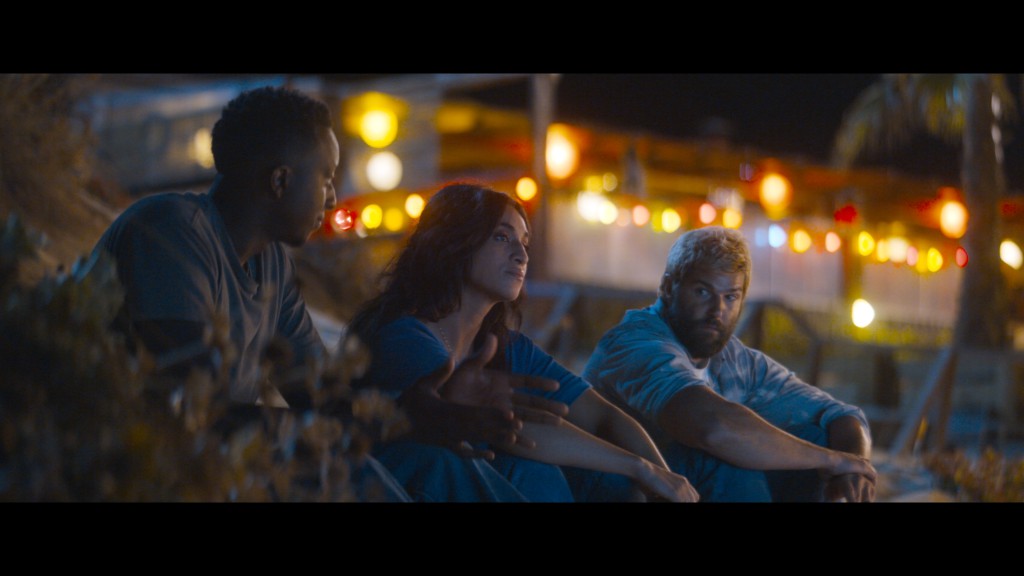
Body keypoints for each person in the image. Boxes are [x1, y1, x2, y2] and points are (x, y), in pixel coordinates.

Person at [86, 85, 411, 500]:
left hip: (209, 466)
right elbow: (194, 403)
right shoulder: (170, 231)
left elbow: (319, 393)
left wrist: (413, 415)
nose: (332, 199)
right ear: (280, 180)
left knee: (390, 464)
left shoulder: (272, 263)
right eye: (326, 177)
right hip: (126, 467)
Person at [347, 182, 699, 503]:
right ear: (453, 243)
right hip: (400, 484)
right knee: (519, 466)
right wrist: (637, 466)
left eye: (525, 243)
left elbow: (602, 416)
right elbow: (508, 430)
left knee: (608, 484)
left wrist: (663, 479)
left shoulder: (508, 347)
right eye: (502, 238)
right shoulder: (403, 336)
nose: (522, 255)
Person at [582, 225, 878, 502]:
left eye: (730, 297)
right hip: (615, 490)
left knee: (817, 436)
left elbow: (843, 415)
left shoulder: (736, 361)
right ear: (669, 287)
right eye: (702, 292)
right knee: (725, 456)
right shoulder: (634, 343)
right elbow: (711, 428)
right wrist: (832, 460)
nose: (717, 310)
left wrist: (853, 467)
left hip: (679, 489)